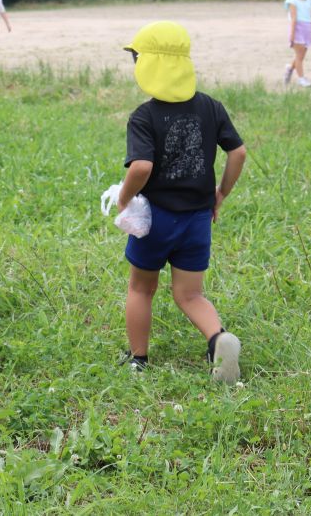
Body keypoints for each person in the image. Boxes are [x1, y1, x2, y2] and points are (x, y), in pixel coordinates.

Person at [117, 21, 247, 384]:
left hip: (156, 220)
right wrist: (221, 194)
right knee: (190, 294)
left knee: (142, 287)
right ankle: (219, 339)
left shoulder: (144, 116)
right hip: (197, 220)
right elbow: (238, 153)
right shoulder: (210, 107)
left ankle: (137, 359)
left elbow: (142, 166)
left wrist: (124, 198)